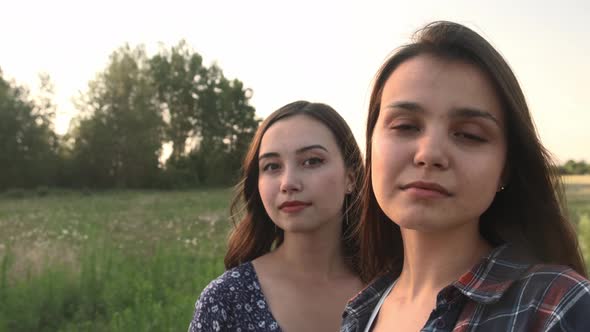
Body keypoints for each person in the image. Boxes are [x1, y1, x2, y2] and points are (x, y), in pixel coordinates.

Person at [341, 21, 590, 332]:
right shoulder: (361, 311)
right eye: (405, 126)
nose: (429, 153)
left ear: (506, 167)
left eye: (469, 135)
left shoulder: (554, 307)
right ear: (371, 144)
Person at [189, 101, 365, 331]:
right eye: (272, 166)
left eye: (312, 161)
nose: (288, 183)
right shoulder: (226, 299)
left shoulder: (392, 290)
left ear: (350, 178)